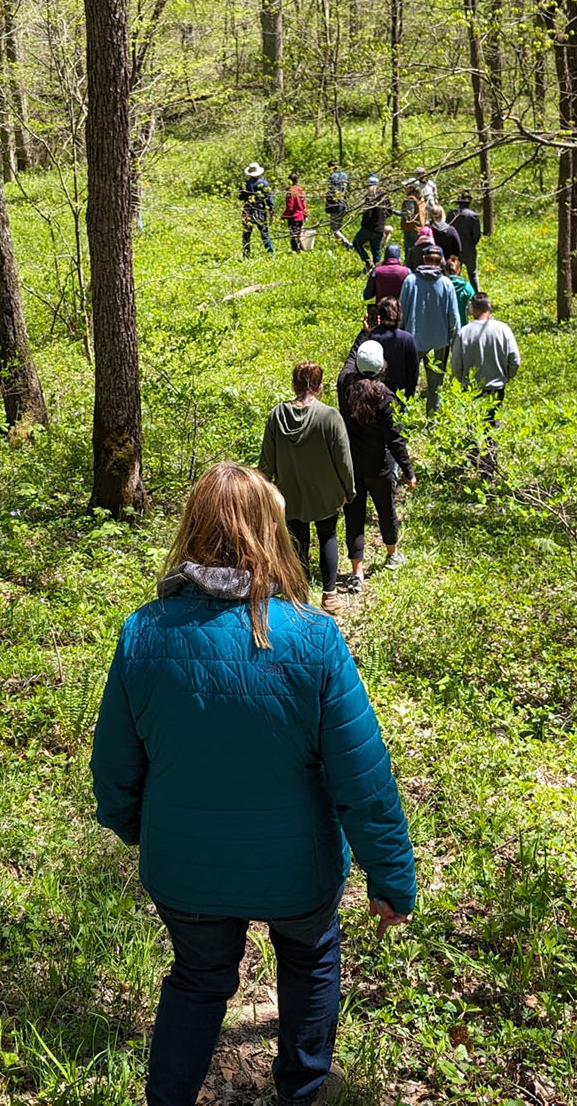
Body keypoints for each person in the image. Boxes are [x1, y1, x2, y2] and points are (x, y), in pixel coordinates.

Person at [91, 461, 416, 1106]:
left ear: (192, 529)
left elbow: (114, 767)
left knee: (198, 978)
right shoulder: (314, 638)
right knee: (310, 959)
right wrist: (392, 878)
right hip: (299, 869)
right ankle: (300, 1093)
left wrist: (140, 828)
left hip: (186, 866)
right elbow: (363, 777)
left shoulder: (144, 633)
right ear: (272, 532)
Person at [257, 361, 355, 608]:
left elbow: (266, 463)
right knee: (328, 536)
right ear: (320, 387)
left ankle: (300, 596)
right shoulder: (330, 416)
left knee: (297, 542)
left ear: (294, 385)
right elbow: (344, 459)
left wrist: (263, 495)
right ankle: (330, 595)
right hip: (326, 493)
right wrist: (348, 490)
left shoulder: (277, 416)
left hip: (289, 494)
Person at [337, 341, 415, 590]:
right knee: (386, 511)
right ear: (382, 366)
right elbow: (395, 439)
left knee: (354, 515)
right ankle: (392, 555)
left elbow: (348, 362)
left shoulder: (345, 387)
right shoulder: (384, 396)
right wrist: (408, 471)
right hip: (380, 467)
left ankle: (356, 572)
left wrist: (364, 333)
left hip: (351, 467)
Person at [450, 293, 521, 474]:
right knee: (491, 426)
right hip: (496, 387)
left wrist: (462, 380)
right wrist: (506, 376)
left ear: (473, 309)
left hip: (471, 389)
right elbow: (515, 360)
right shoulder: (503, 329)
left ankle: (474, 463)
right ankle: (488, 469)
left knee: (472, 425)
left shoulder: (464, 332)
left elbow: (456, 364)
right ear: (489, 307)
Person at [397, 246, 461, 415]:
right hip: (439, 342)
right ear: (441, 261)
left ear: (423, 259)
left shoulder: (410, 281)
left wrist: (399, 334)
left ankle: (403, 419)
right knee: (435, 385)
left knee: (407, 383)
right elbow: (454, 317)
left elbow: (401, 312)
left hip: (412, 341)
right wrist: (454, 339)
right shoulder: (446, 284)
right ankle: (432, 420)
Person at [352, 297, 419, 401]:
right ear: (399, 315)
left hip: (375, 392)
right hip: (399, 394)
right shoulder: (407, 339)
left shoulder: (372, 336)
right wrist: (410, 395)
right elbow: (413, 371)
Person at [351, 176, 388, 270]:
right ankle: (377, 270)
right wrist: (381, 219)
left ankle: (367, 262)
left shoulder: (370, 196)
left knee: (356, 243)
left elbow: (368, 214)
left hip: (369, 228)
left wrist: (363, 224)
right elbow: (389, 212)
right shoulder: (384, 196)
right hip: (380, 228)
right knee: (376, 250)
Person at [241, 163, 274, 257]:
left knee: (246, 233)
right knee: (264, 233)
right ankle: (271, 254)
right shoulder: (264, 184)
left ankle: (246, 254)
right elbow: (269, 199)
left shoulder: (245, 184)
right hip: (260, 210)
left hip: (247, 210)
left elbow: (240, 197)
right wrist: (271, 212)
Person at [449, 192, 482, 284]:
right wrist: (471, 244)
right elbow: (477, 235)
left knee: (455, 275)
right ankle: (476, 292)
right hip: (469, 249)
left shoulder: (451, 214)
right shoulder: (473, 215)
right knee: (473, 275)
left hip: (455, 249)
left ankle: (455, 292)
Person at [442, 249, 475, 321]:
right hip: (462, 323)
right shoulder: (467, 287)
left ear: (445, 270)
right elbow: (472, 309)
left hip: (443, 324)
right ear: (459, 270)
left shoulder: (440, 286)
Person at [428, 205, 462, 269]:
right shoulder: (451, 230)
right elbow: (458, 248)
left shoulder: (427, 230)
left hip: (430, 265)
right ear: (442, 215)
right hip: (448, 265)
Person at [325, 168, 351, 246]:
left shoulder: (332, 177)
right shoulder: (345, 176)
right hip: (343, 204)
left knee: (334, 228)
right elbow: (349, 190)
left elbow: (330, 192)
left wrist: (328, 207)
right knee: (339, 226)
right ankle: (339, 243)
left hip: (334, 206)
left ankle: (346, 242)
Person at [283, 172, 308, 253]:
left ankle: (296, 251)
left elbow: (290, 207)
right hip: (301, 216)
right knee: (298, 234)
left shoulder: (290, 192)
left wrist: (284, 216)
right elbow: (304, 204)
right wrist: (305, 214)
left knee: (293, 235)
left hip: (293, 217)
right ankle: (301, 249)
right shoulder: (300, 190)